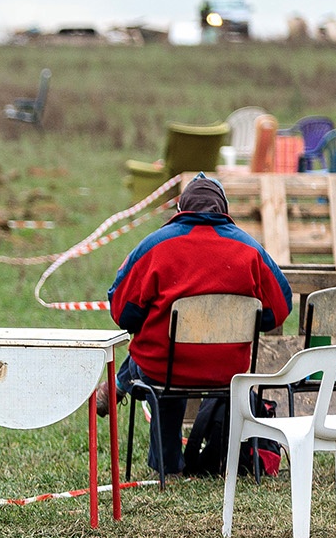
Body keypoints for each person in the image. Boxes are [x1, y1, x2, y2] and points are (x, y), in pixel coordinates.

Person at [106, 174, 291, 475]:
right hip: (227, 370)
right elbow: (278, 310)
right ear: (224, 210)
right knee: (160, 357)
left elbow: (122, 312)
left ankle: (166, 465)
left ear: (181, 209)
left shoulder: (154, 245)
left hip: (166, 367)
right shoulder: (251, 250)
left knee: (155, 360)